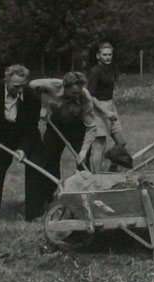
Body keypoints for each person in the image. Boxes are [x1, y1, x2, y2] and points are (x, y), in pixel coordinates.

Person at [0, 65, 44, 224]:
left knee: (35, 167)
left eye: (23, 85)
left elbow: (32, 127)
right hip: (0, 137)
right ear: (6, 81)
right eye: (16, 86)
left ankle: (34, 215)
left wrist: (23, 149)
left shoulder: (32, 97)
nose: (20, 90)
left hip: (26, 136)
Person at [29, 72, 96, 203]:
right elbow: (32, 85)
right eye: (73, 93)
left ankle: (84, 196)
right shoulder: (53, 85)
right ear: (64, 87)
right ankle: (49, 198)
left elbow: (91, 127)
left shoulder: (85, 98)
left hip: (78, 128)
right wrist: (43, 106)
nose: (76, 95)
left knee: (83, 163)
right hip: (56, 126)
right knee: (50, 160)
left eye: (78, 92)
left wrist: (83, 151)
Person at [87, 42, 128, 172]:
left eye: (110, 54)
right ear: (98, 56)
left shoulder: (109, 69)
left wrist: (111, 110)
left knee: (121, 142)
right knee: (100, 144)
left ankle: (112, 170)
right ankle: (96, 178)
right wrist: (106, 112)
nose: (108, 57)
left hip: (110, 106)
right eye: (104, 55)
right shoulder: (95, 71)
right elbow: (91, 97)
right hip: (99, 109)